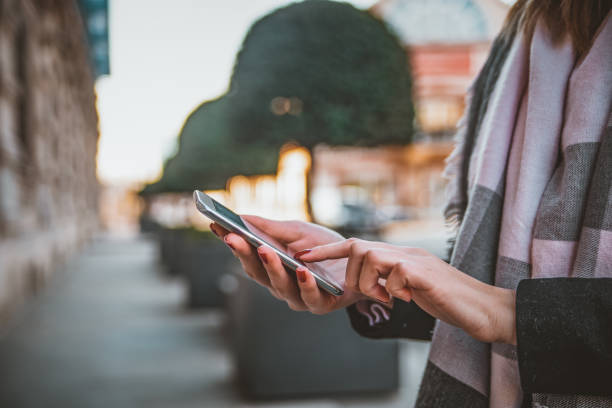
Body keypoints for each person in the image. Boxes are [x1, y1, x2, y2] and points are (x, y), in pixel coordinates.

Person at [211, 1, 612, 406]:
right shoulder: (526, 36)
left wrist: (508, 313)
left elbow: (494, 301)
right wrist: (369, 280)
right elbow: (485, 279)